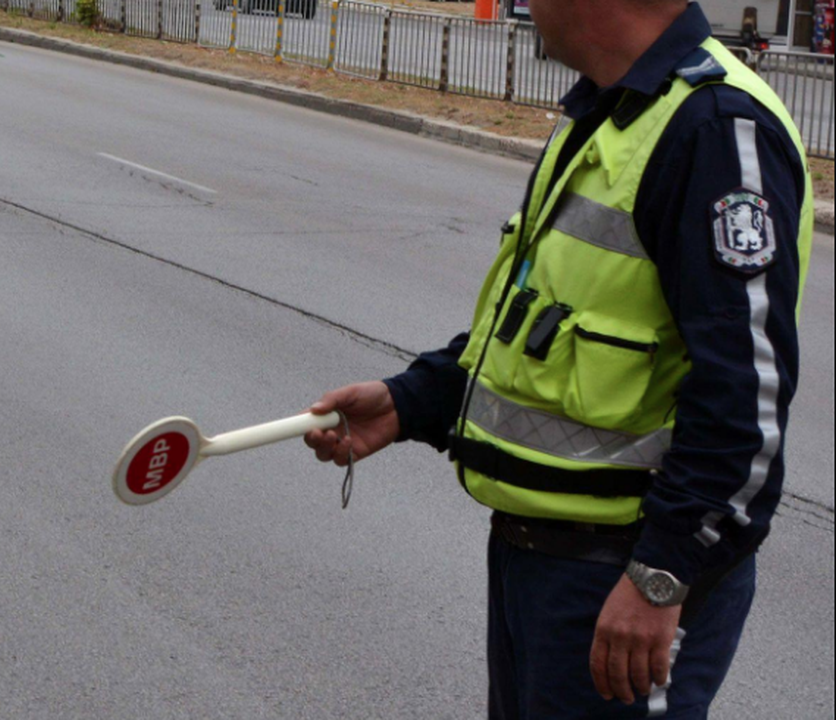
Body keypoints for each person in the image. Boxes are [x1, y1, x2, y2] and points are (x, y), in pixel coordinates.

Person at [304, 1, 813, 718]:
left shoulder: (715, 128)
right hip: (540, 565)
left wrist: (662, 575)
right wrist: (411, 401)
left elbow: (746, 396)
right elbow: (535, 326)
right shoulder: (608, 110)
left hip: (623, 580)